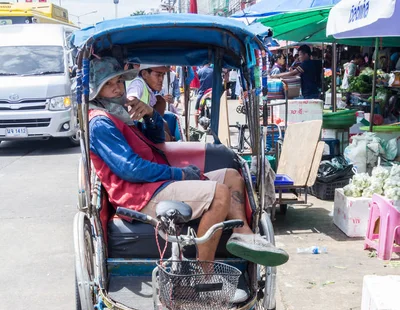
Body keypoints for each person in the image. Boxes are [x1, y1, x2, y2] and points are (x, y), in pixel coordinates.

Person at [88, 57, 289, 271]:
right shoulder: (101, 122)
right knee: (220, 193)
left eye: (118, 81)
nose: (117, 88)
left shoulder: (120, 114)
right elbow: (131, 169)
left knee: (232, 176)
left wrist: (150, 114)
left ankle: (242, 234)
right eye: (108, 84)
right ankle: (204, 275)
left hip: (154, 185)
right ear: (96, 90)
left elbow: (157, 140)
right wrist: (180, 174)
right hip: (138, 194)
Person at [195, 62, 213, 127]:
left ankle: (196, 126)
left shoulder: (200, 71)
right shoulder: (213, 71)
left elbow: (196, 82)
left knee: (197, 110)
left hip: (202, 94)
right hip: (212, 94)